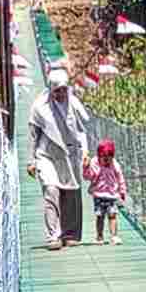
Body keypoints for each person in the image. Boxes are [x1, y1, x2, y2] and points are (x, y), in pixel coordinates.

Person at [27, 69, 88, 250]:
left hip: (70, 154)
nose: (61, 94)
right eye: (57, 91)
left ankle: (70, 233)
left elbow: (82, 130)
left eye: (63, 90)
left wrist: (85, 152)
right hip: (47, 155)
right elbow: (32, 135)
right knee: (51, 191)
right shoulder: (39, 107)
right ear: (51, 89)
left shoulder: (74, 104)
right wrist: (31, 160)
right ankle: (53, 235)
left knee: (71, 193)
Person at [83, 139, 127, 245]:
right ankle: (99, 236)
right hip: (98, 195)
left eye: (109, 159)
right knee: (100, 216)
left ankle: (114, 236)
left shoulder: (115, 164)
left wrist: (122, 190)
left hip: (112, 195)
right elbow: (87, 177)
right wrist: (86, 167)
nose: (107, 161)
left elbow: (120, 177)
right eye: (104, 159)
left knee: (112, 215)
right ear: (99, 156)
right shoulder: (94, 163)